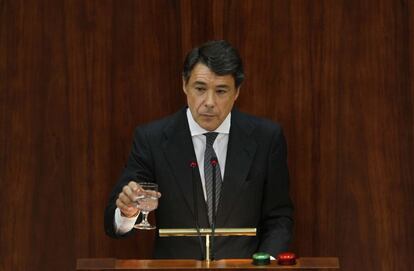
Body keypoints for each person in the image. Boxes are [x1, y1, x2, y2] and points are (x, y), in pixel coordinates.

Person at [104, 40, 294, 259]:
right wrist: (128, 213)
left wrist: (264, 263)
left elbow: (279, 217)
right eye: (200, 89)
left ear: (237, 92)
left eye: (221, 91)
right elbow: (113, 221)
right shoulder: (152, 139)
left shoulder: (266, 138)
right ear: (184, 85)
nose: (209, 102)